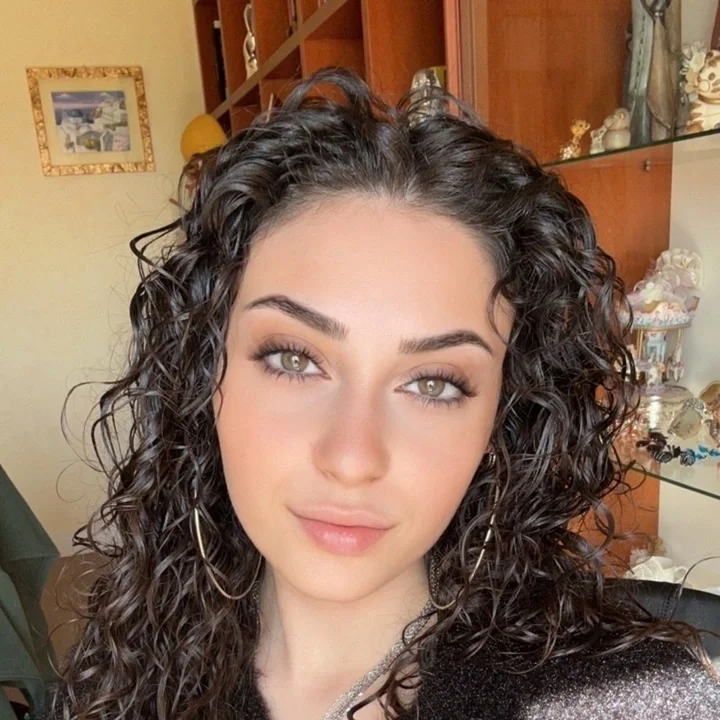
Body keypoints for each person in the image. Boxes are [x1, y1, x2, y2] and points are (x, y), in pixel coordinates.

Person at [46, 67, 720, 720]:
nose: (352, 458)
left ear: (500, 418)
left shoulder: (627, 700)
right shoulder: (129, 661)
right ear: (206, 375)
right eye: (293, 359)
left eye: (434, 383)